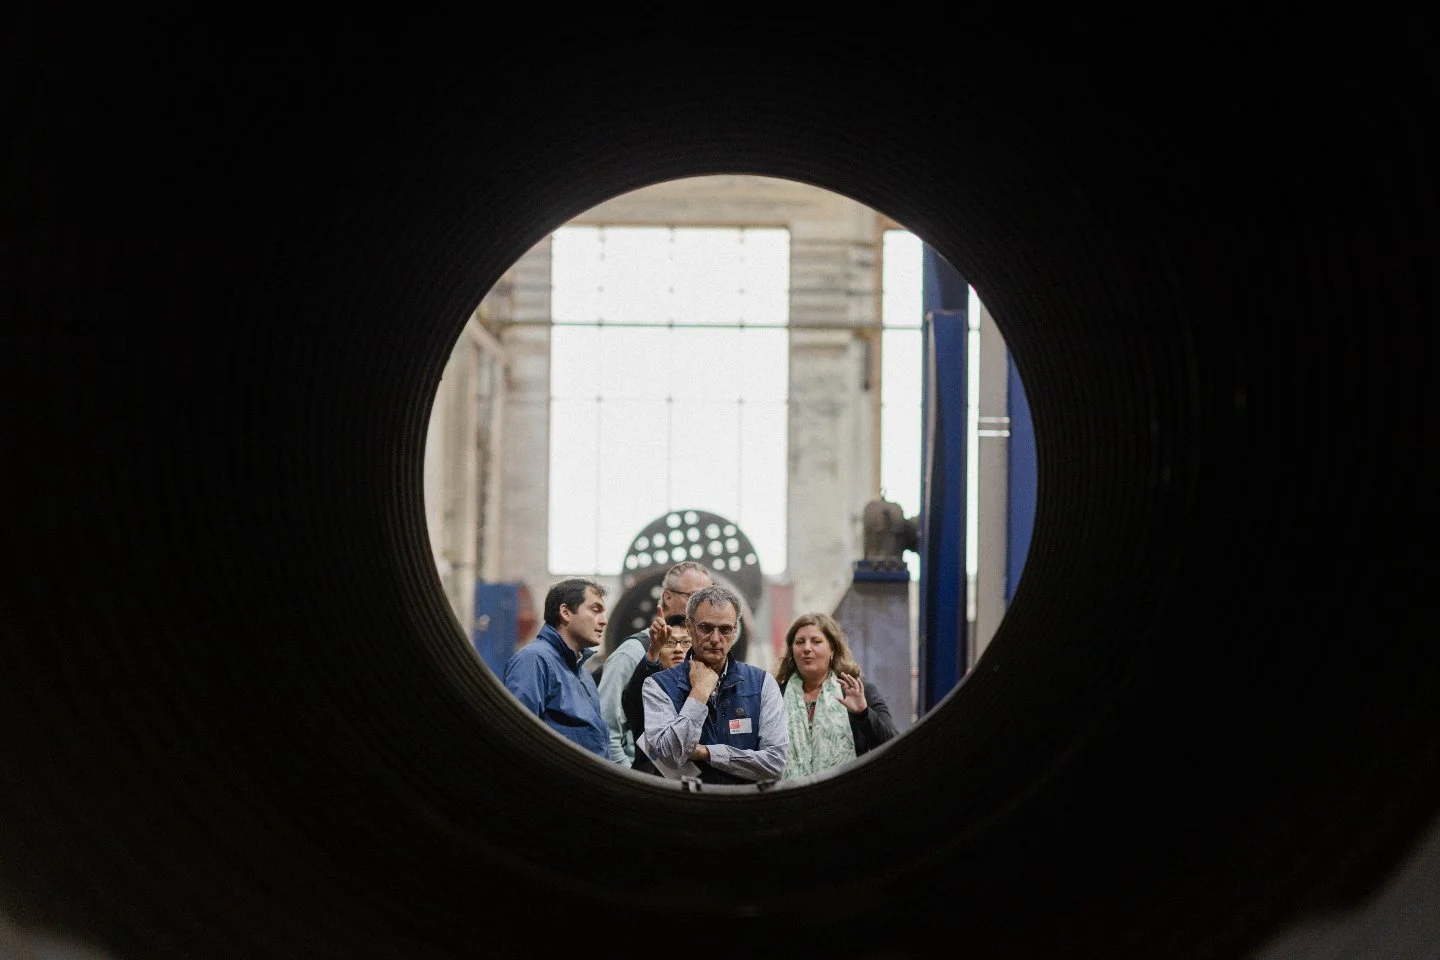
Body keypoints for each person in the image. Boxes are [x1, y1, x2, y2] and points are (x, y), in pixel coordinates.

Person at [640, 583, 788, 785]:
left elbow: (775, 764)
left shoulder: (762, 684)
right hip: (687, 803)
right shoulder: (658, 686)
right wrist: (698, 695)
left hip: (745, 803)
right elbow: (670, 757)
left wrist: (708, 753)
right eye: (706, 628)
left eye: (725, 629)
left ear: (735, 631)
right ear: (689, 627)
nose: (715, 639)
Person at [597, 560, 712, 766]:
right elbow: (606, 727)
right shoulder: (632, 653)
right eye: (695, 597)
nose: (703, 606)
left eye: (708, 598)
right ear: (667, 597)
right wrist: (627, 773)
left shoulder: (697, 654)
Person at [775, 612, 898, 779]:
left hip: (845, 791)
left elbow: (893, 747)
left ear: (832, 648)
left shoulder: (858, 691)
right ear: (792, 650)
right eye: (800, 642)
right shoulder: (775, 695)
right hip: (788, 794)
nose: (807, 648)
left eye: (816, 641)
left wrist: (863, 713)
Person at [501, 577, 609, 759]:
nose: (603, 621)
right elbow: (516, 737)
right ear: (565, 612)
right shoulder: (534, 660)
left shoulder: (582, 673)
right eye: (595, 610)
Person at [621, 613, 690, 776]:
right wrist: (653, 650)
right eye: (669, 643)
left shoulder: (707, 690)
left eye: (686, 642)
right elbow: (634, 694)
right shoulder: (647, 689)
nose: (678, 649)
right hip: (650, 782)